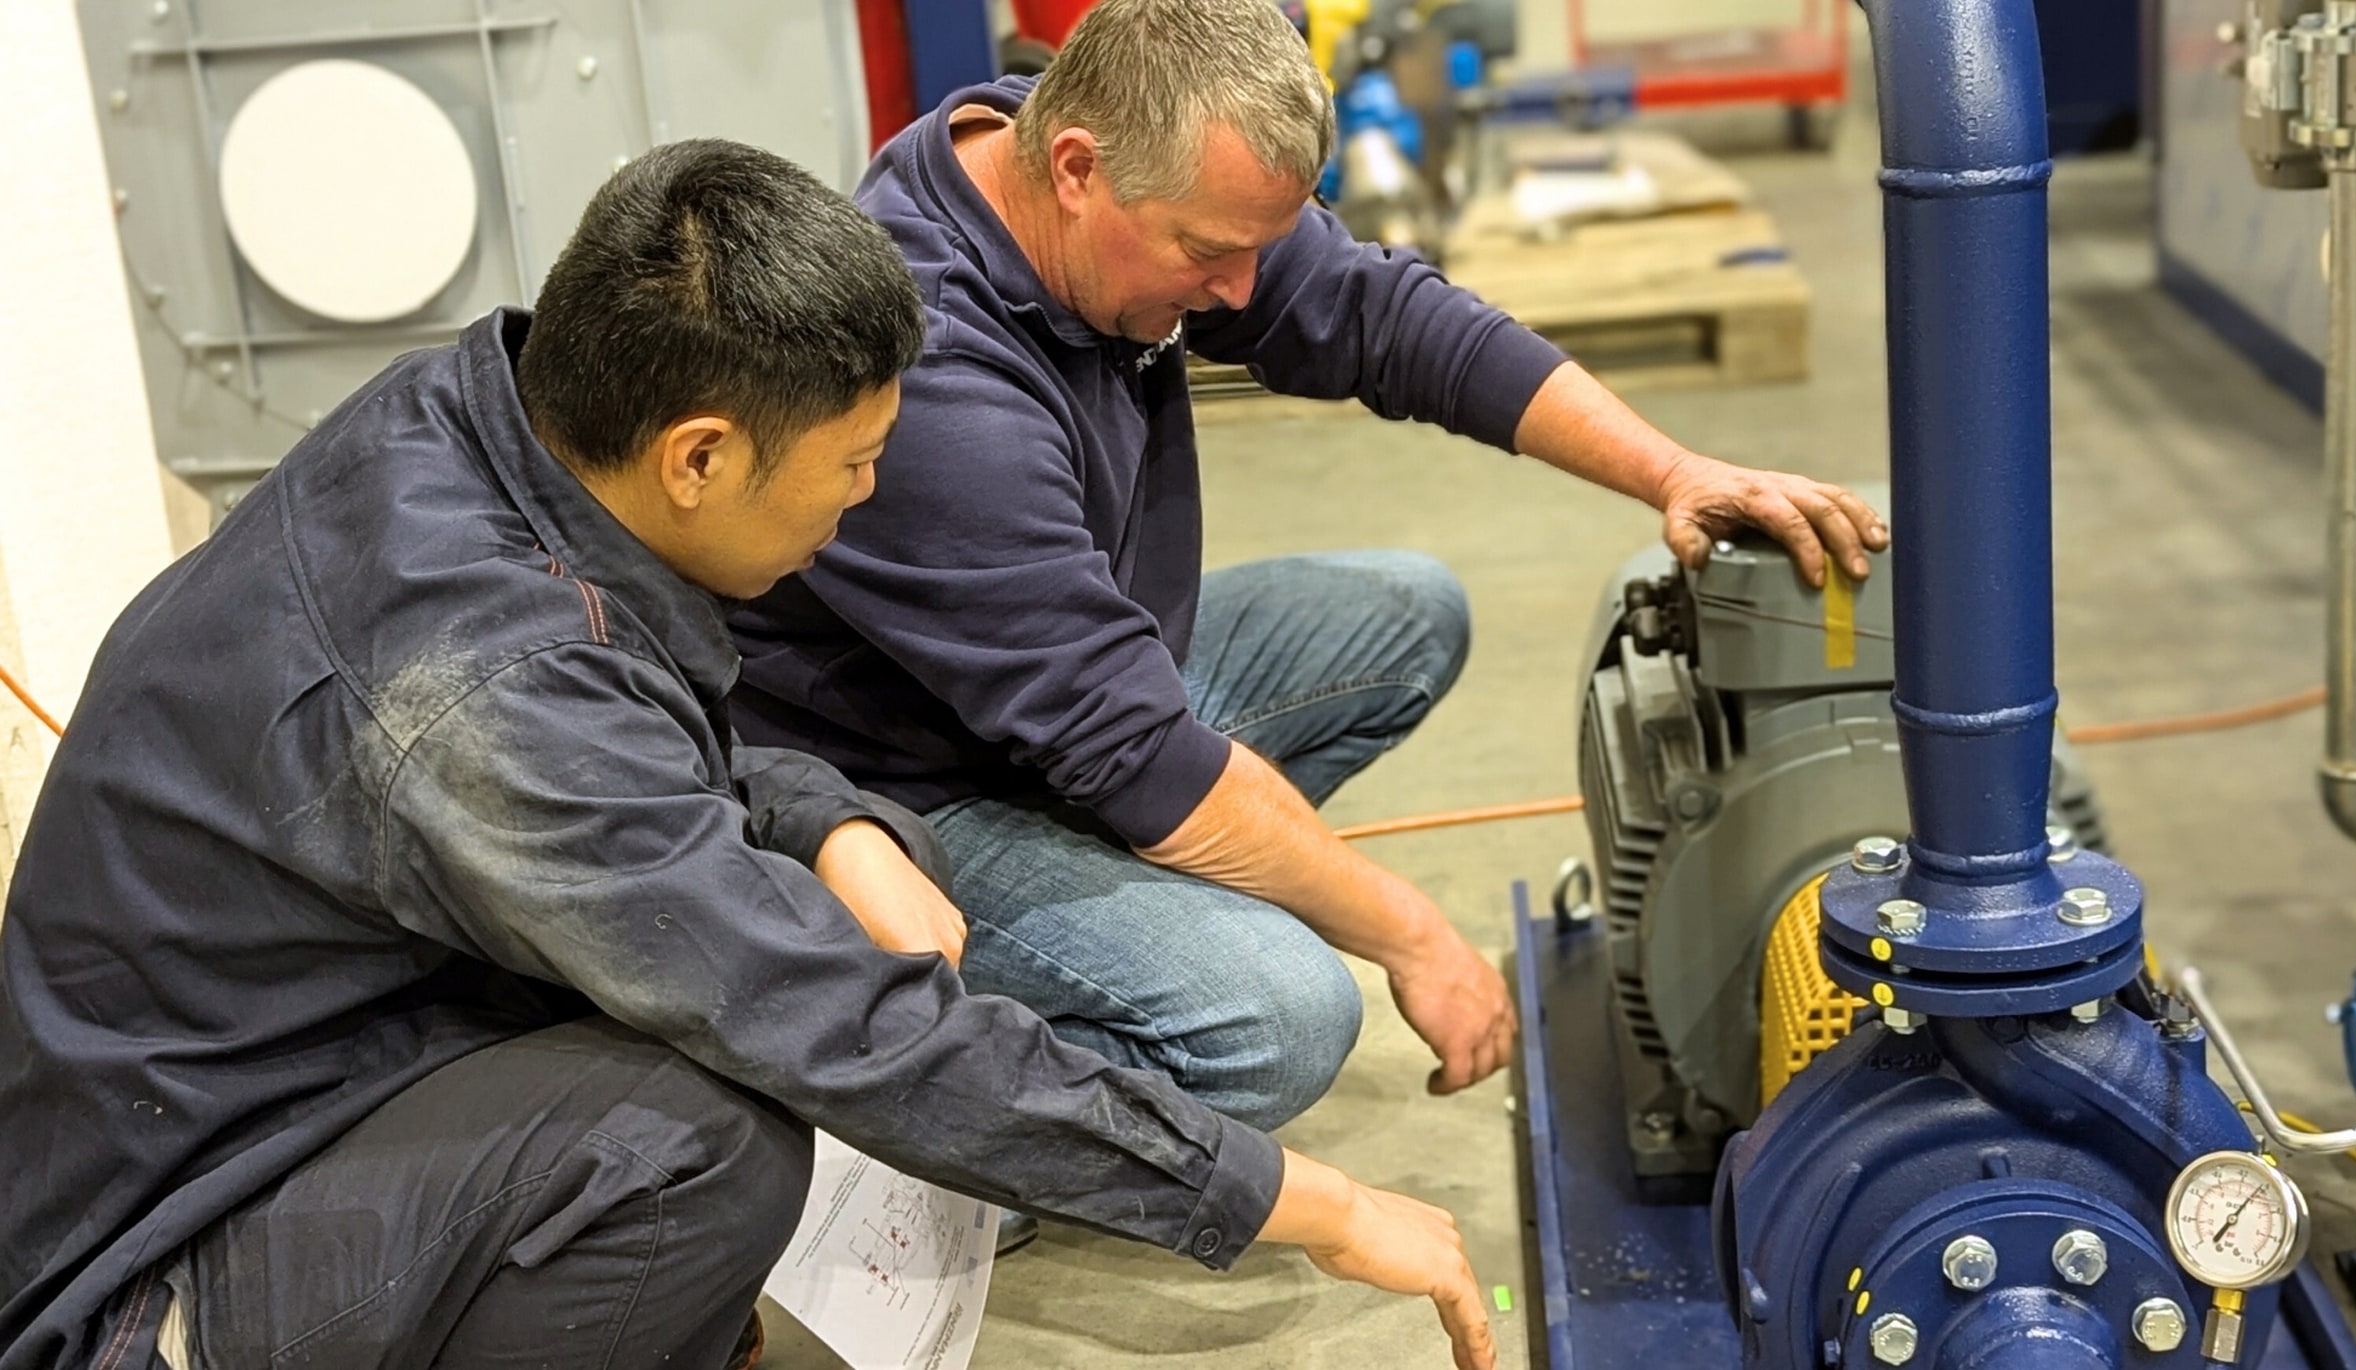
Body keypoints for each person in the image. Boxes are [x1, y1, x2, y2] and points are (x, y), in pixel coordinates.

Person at [0, 139, 1494, 1370]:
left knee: (776, 987)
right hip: (163, 1252)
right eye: (852, 465)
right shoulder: (485, 688)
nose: (866, 499)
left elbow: (647, 734)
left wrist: (833, 818)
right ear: (700, 454)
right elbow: (833, 1021)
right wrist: (1309, 1201)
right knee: (695, 1141)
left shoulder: (484, 427)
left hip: (317, 1063)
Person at [728, 0, 1888, 1138]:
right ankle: (903, 1104)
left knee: (1404, 614)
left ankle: (1138, 910)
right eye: (1208, 254)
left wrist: (1671, 471)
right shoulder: (932, 375)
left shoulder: (1098, 155)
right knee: (1276, 1020)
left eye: (1256, 250)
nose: (1239, 292)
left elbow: (1385, 317)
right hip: (905, 792)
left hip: (1051, 711)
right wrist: (1411, 935)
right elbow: (1131, 752)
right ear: (1074, 169)